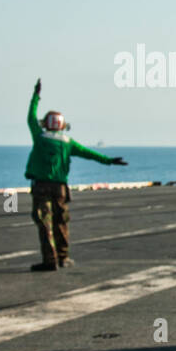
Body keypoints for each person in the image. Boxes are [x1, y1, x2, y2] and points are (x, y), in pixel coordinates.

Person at [23, 78, 127, 272]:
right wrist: (110, 161)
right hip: (60, 188)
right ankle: (63, 257)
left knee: (45, 224)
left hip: (41, 186)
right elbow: (90, 154)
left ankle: (50, 260)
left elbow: (30, 116)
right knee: (61, 222)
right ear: (63, 125)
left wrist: (36, 96)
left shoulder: (39, 137)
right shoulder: (68, 142)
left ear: (46, 124)